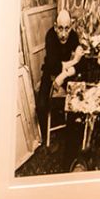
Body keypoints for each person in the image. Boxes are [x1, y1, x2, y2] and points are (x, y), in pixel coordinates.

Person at [36, 9, 81, 148]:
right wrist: (74, 61)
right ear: (55, 27)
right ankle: (45, 137)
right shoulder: (50, 36)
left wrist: (63, 75)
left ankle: (71, 134)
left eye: (67, 29)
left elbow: (81, 63)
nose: (63, 34)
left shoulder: (73, 36)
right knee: (41, 104)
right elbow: (52, 64)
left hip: (65, 73)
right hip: (50, 72)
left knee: (76, 99)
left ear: (71, 26)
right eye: (60, 28)